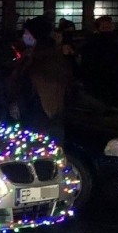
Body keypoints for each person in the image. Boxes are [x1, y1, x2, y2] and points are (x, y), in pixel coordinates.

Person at [8, 15, 72, 143]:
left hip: (41, 121)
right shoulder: (34, 56)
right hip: (35, 119)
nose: (24, 36)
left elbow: (36, 90)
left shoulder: (43, 60)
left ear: (35, 35)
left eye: (26, 32)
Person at [77, 15, 118, 108]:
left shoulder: (114, 46)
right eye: (104, 28)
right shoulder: (92, 46)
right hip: (98, 85)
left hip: (110, 85)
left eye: (109, 28)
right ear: (98, 29)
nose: (107, 30)